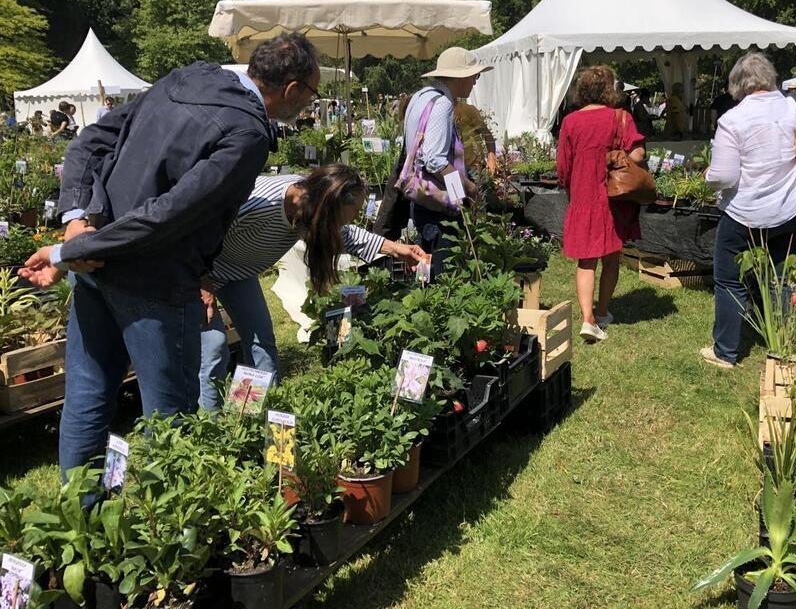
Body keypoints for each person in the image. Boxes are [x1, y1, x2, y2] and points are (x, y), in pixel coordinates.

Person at [19, 32, 321, 474]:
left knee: (88, 395)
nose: (310, 104)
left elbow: (88, 143)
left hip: (96, 267)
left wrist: (77, 224)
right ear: (292, 89)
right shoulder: (248, 132)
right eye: (312, 93)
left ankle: (83, 525)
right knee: (171, 420)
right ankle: (172, 538)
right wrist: (72, 245)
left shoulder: (186, 79)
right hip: (155, 283)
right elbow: (170, 215)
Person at [198, 164, 425, 410]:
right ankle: (211, 429)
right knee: (215, 348)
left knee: (260, 340)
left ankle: (257, 417)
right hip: (197, 267)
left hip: (240, 271)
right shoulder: (260, 203)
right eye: (355, 209)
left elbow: (347, 235)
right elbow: (197, 227)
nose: (357, 215)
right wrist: (200, 279)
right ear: (333, 204)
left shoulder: (313, 207)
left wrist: (397, 249)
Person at [700, 51, 796, 368]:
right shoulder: (795, 108)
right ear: (770, 78)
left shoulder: (733, 119)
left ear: (737, 85)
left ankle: (725, 351)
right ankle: (783, 342)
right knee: (780, 278)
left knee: (729, 279)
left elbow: (724, 175)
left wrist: (708, 176)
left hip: (747, 212)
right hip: (793, 207)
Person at [556, 65, 645, 343]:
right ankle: (603, 311)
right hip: (612, 198)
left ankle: (587, 318)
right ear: (610, 89)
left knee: (586, 260)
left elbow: (562, 168)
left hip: (582, 196)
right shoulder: (620, 118)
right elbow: (638, 155)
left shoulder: (570, 122)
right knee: (611, 257)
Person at [401, 47, 489, 267]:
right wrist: (468, 188)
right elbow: (435, 160)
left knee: (425, 268)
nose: (475, 82)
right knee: (443, 270)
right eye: (474, 76)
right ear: (460, 77)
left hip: (421, 197)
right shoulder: (442, 104)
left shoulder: (420, 97)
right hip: (437, 204)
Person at [453, 101, 498, 177]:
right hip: (452, 169)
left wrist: (491, 157)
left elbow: (487, 134)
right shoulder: (438, 112)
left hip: (475, 168)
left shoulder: (467, 109)